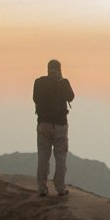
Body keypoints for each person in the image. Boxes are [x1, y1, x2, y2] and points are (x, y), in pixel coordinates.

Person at [32, 59, 75, 196]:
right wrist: (61, 80)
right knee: (60, 157)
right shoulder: (63, 83)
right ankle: (60, 188)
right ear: (59, 69)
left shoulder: (39, 82)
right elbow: (71, 97)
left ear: (48, 69)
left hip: (43, 124)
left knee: (43, 157)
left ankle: (42, 188)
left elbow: (35, 99)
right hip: (60, 126)